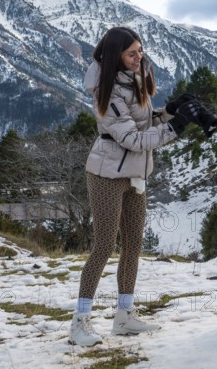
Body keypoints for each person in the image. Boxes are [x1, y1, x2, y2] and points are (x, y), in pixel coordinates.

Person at [69, 26, 208, 347]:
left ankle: (124, 316)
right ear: (115, 56)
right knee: (104, 245)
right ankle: (80, 321)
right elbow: (132, 139)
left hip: (135, 174)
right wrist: (176, 126)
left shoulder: (133, 80)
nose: (139, 57)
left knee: (133, 244)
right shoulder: (107, 94)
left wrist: (169, 112)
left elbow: (143, 125)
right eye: (132, 53)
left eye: (140, 51)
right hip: (106, 174)